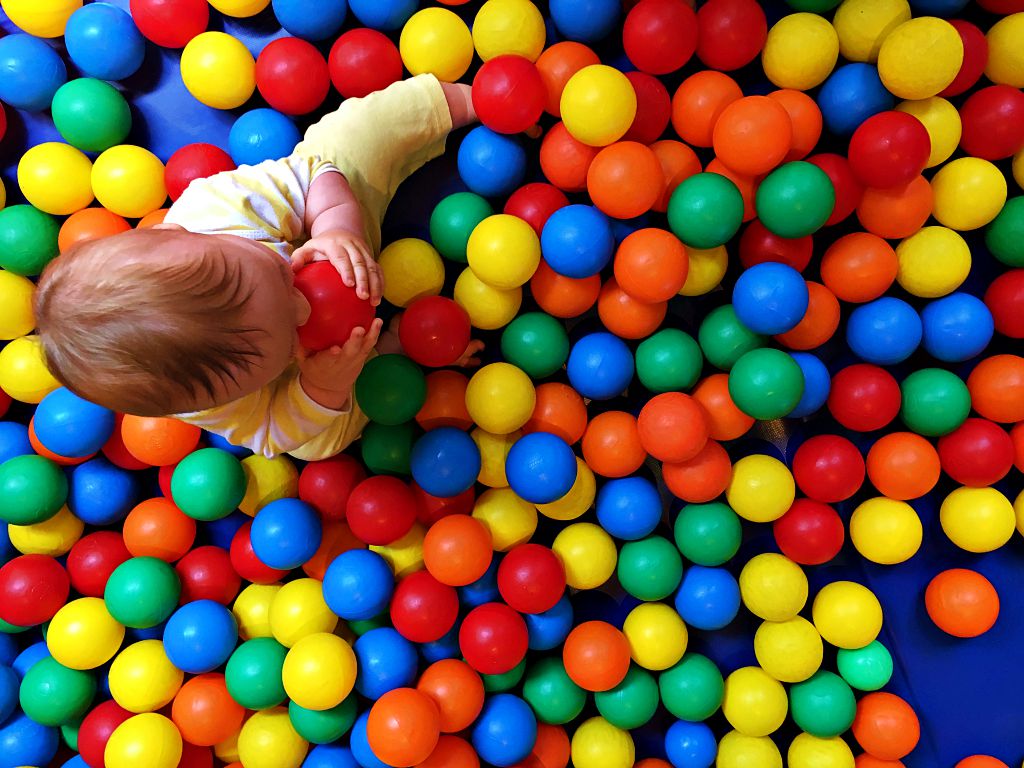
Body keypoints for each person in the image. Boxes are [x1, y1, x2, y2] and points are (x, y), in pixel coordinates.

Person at [35, 75, 481, 460]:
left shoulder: (218, 209)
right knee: (313, 444)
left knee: (350, 136)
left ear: (175, 233)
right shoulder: (208, 401)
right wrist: (322, 387)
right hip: (321, 366)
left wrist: (336, 230)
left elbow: (312, 175)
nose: (305, 310)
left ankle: (472, 100)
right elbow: (270, 430)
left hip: (328, 232)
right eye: (286, 339)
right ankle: (390, 347)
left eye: (280, 277)